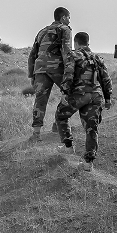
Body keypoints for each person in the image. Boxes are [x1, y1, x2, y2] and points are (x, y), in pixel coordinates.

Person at [54, 32, 112, 167]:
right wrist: (108, 98)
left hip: (79, 95)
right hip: (96, 96)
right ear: (88, 43)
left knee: (61, 115)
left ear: (76, 43)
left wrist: (64, 92)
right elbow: (106, 79)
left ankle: (68, 146)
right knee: (92, 128)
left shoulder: (73, 55)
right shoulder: (98, 58)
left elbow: (69, 74)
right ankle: (88, 163)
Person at [27, 7, 75, 139]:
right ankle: (57, 124)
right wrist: (70, 72)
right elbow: (67, 51)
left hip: (40, 69)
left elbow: (32, 55)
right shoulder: (65, 30)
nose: (69, 21)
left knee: (40, 100)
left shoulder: (42, 32)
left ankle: (36, 133)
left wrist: (32, 75)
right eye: (69, 18)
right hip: (57, 68)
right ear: (63, 17)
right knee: (70, 93)